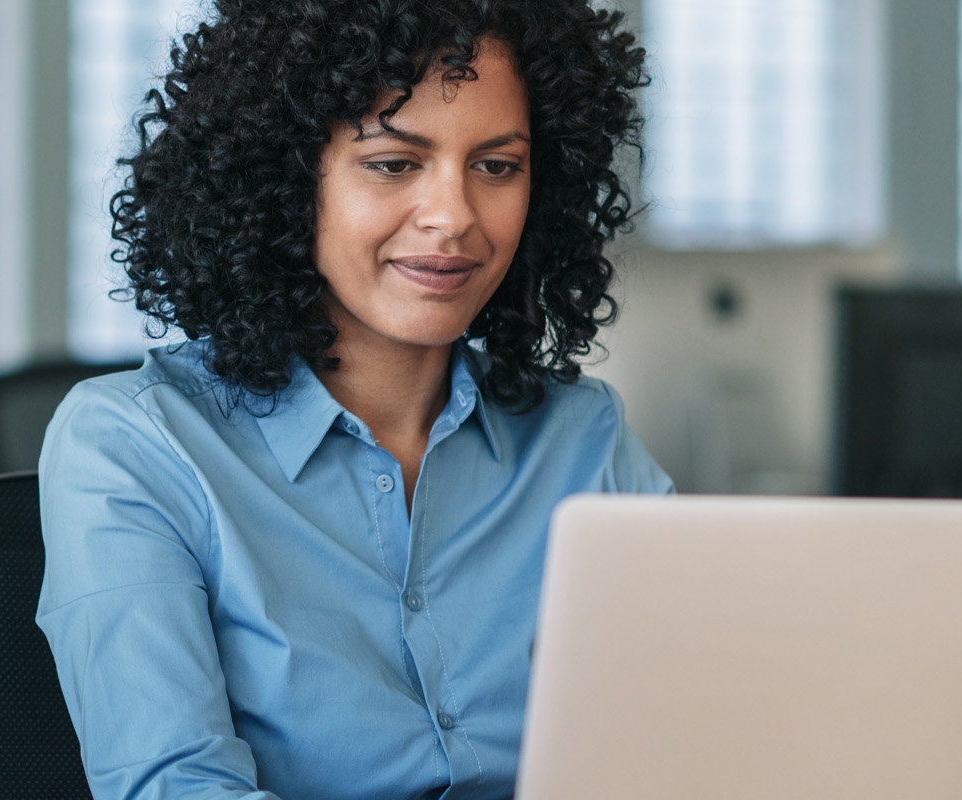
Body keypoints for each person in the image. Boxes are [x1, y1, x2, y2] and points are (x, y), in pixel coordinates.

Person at [35, 2, 669, 799]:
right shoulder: (135, 443)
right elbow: (176, 788)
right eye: (395, 163)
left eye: (497, 166)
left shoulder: (585, 440)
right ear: (289, 177)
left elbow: (705, 731)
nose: (455, 216)